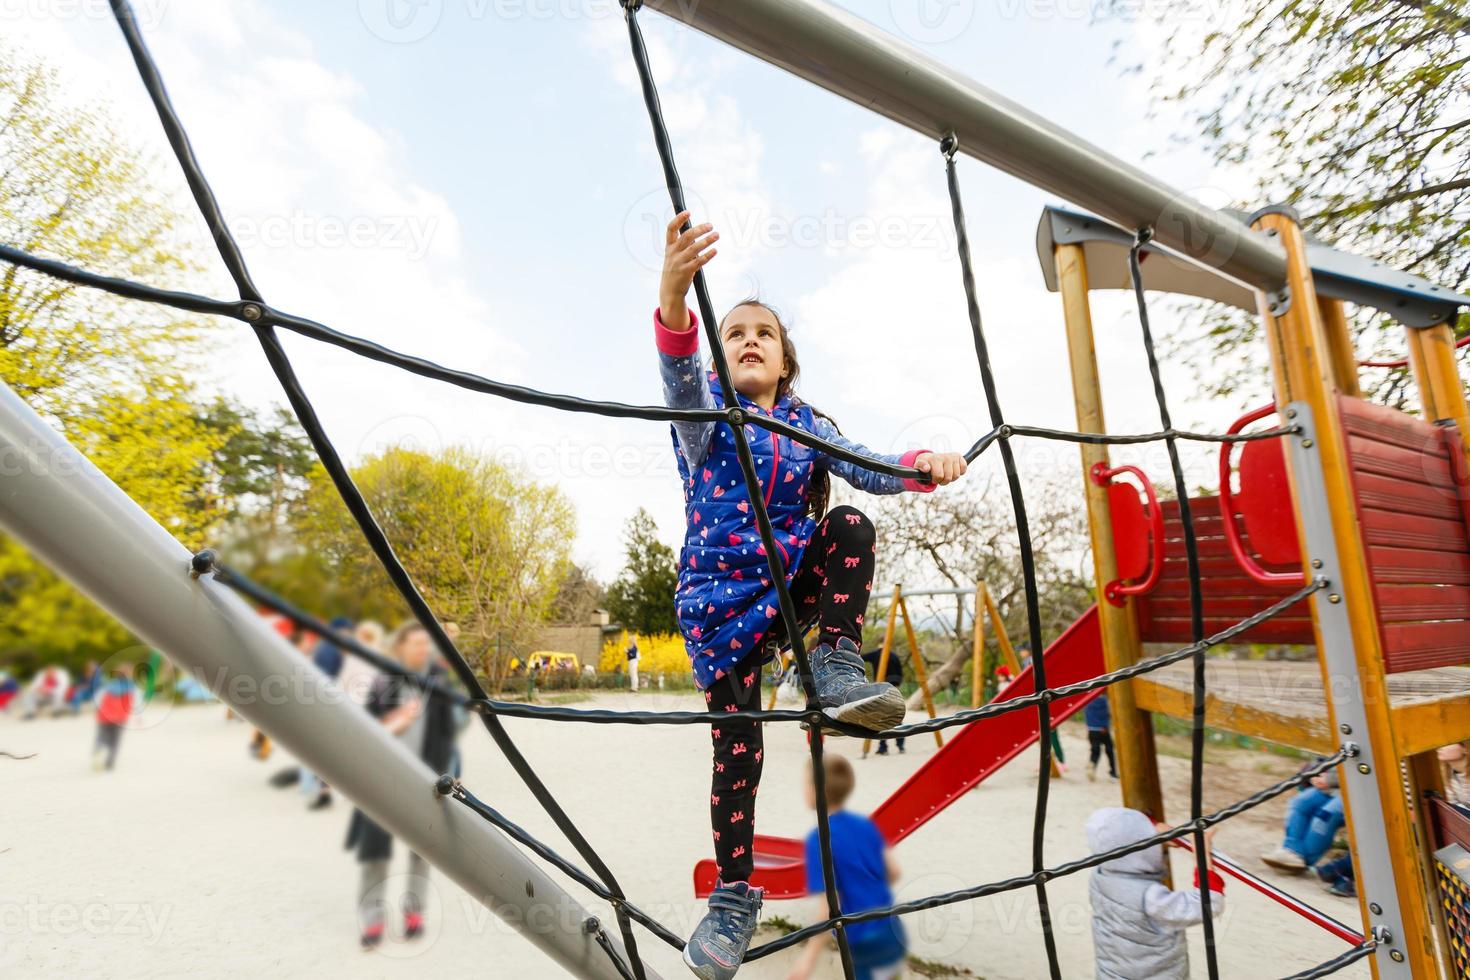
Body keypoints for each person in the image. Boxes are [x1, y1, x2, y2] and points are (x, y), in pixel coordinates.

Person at [655, 211, 968, 980]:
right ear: (722, 359)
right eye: (735, 334)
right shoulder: (708, 422)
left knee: (851, 524)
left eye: (763, 331)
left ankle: (831, 665)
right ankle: (733, 898)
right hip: (721, 611)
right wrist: (672, 299)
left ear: (787, 361)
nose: (750, 339)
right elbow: (678, 374)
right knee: (739, 753)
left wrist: (923, 462)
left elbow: (865, 465)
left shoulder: (805, 427)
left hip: (791, 595)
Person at [345, 622, 459, 949]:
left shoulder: (438, 684)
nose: (423, 650)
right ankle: (372, 919)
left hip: (424, 781)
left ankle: (414, 913)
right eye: (416, 644)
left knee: (420, 852)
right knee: (375, 854)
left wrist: (445, 776)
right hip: (383, 780)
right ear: (400, 648)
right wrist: (398, 721)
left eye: (426, 644)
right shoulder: (383, 683)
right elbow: (364, 732)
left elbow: (447, 735)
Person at [788, 754, 905, 980]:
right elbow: (893, 871)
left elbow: (829, 909)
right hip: (891, 928)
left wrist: (807, 960)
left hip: (863, 939)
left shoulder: (818, 840)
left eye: (805, 783)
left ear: (816, 791)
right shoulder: (864, 823)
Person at [1086, 807, 1225, 980]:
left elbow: (1119, 840)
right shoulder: (1150, 897)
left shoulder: (1099, 876)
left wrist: (1155, 835)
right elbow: (1209, 903)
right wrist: (1202, 857)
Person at [1261, 767, 1344, 873]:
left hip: (1353, 793)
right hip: (1331, 787)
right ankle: (1291, 850)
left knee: (1325, 815)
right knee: (1300, 803)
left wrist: (1331, 779)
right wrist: (1316, 772)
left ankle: (1304, 860)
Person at [861, 648, 906, 756]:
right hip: (893, 688)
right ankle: (900, 745)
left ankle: (883, 747)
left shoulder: (876, 654)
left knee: (882, 717)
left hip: (881, 688)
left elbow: (861, 657)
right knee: (895, 716)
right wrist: (897, 684)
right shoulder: (894, 655)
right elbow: (900, 672)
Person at [92, 666, 137, 771]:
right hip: (120, 718)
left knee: (101, 737)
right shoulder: (131, 687)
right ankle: (110, 762)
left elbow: (98, 700)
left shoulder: (108, 686)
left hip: (104, 717)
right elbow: (135, 703)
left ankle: (97, 753)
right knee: (115, 741)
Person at [1085, 693, 1117, 781]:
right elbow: (1106, 714)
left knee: (1095, 750)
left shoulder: (1088, 700)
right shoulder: (1103, 700)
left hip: (1091, 729)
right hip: (1102, 729)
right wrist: (1105, 725)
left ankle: (1092, 764)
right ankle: (1113, 773)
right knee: (1109, 750)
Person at [1438, 741, 1470, 809]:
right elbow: (1454, 805)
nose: (1439, 749)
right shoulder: (1447, 774)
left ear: (1465, 749)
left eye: (1449, 743)